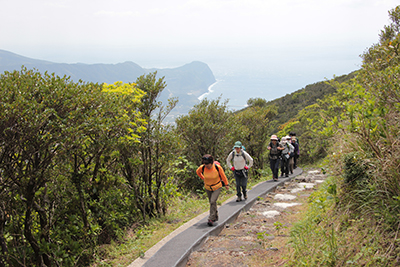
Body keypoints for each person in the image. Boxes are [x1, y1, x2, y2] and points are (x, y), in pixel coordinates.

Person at [196, 154, 229, 226]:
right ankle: (215, 215)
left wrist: (226, 184)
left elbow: (223, 176)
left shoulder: (217, 168)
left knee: (213, 201)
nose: (207, 165)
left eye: (208, 164)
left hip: (217, 186)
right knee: (212, 202)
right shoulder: (203, 167)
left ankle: (211, 218)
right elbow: (198, 172)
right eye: (205, 164)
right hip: (208, 187)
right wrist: (203, 178)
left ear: (211, 163)